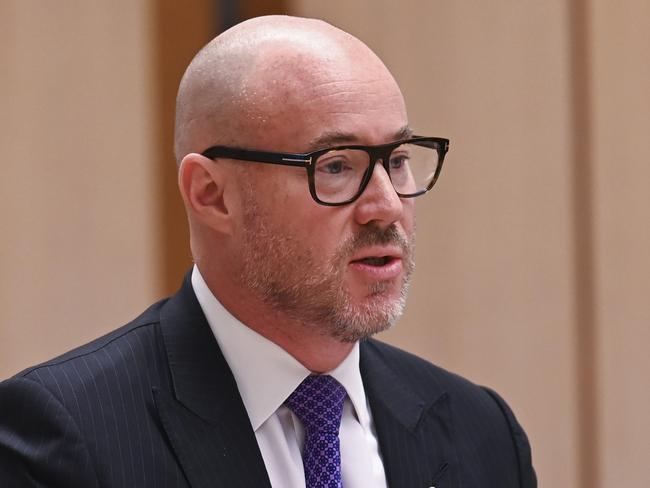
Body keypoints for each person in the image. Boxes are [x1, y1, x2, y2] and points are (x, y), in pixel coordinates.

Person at [0, 15, 536, 488]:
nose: (386, 206)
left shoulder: (480, 431)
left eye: (396, 159)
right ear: (211, 195)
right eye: (335, 166)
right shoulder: (65, 436)